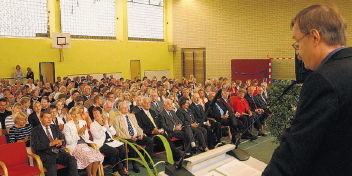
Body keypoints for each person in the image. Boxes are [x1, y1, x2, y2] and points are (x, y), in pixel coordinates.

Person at [263, 5, 352, 176]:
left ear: (314, 37)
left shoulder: (323, 80)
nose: (298, 52)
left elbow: (295, 151)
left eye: (297, 43)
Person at [31, 111, 79, 176]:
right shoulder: (35, 130)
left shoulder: (55, 127)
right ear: (41, 118)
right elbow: (36, 146)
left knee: (72, 160)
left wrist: (61, 143)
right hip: (46, 155)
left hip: (58, 152)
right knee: (52, 166)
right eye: (46, 117)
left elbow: (63, 140)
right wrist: (50, 144)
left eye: (50, 117)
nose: (49, 119)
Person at [113, 101, 153, 173]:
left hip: (137, 136)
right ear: (119, 109)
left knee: (149, 140)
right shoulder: (116, 119)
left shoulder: (132, 115)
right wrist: (129, 137)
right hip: (127, 139)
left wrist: (140, 134)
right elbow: (118, 133)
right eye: (124, 108)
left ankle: (147, 161)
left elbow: (137, 127)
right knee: (133, 143)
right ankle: (134, 164)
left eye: (127, 108)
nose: (126, 109)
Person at [63, 107, 103, 176]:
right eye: (73, 114)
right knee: (89, 157)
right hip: (74, 146)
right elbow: (69, 141)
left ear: (80, 114)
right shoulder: (67, 125)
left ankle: (94, 174)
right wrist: (78, 134)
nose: (75, 116)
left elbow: (87, 138)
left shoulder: (83, 122)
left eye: (77, 114)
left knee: (97, 155)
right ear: (71, 115)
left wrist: (83, 133)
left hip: (84, 144)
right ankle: (89, 174)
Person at [90, 107, 128, 176]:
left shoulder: (105, 121)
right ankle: (119, 171)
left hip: (110, 141)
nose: (95, 115)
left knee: (122, 148)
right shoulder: (92, 125)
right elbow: (98, 136)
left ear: (101, 114)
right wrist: (104, 126)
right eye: (94, 114)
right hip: (101, 144)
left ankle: (121, 168)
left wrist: (109, 125)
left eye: (97, 113)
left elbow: (113, 133)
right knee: (114, 151)